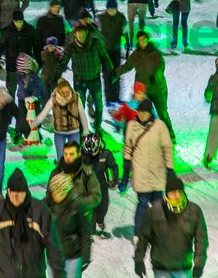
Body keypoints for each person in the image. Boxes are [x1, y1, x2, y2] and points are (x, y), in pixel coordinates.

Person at [0, 168, 64, 277]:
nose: (15, 198)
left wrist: (58, 273)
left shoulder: (39, 212)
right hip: (5, 273)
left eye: (19, 194)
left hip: (33, 273)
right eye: (12, 193)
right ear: (8, 191)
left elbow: (53, 245)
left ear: (25, 192)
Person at [134, 172, 208, 278]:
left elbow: (201, 239)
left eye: (179, 192)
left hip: (183, 268)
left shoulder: (194, 211)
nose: (177, 196)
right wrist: (139, 260)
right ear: (167, 194)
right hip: (161, 268)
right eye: (173, 192)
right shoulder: (155, 211)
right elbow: (144, 237)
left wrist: (199, 264)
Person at [124, 98, 174, 235]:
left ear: (150, 112)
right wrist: (126, 162)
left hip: (157, 172)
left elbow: (167, 148)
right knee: (142, 204)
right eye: (139, 111)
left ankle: (160, 231)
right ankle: (139, 233)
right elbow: (128, 146)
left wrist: (170, 168)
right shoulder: (132, 126)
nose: (141, 114)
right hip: (140, 173)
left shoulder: (160, 126)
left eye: (144, 112)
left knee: (158, 205)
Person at [114, 31, 175, 141]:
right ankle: (144, 137)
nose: (143, 41)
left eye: (144, 39)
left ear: (147, 39)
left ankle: (170, 135)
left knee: (162, 113)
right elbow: (127, 66)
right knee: (142, 114)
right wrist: (115, 74)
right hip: (143, 91)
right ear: (138, 41)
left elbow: (161, 67)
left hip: (158, 89)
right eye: (140, 39)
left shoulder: (155, 53)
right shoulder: (136, 54)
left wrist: (156, 76)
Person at [55, 24, 113, 131]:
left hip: (94, 81)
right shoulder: (71, 47)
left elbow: (105, 58)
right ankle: (81, 129)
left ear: (87, 34)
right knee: (79, 107)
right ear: (75, 35)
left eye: (83, 35)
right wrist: (56, 77)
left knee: (99, 106)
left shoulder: (96, 43)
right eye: (78, 36)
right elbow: (63, 62)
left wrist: (111, 74)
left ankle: (97, 127)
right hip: (79, 82)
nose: (81, 38)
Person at [45, 173, 92, 276]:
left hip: (72, 256)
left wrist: (85, 257)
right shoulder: (46, 204)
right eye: (54, 192)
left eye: (59, 192)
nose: (56, 195)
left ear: (66, 191)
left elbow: (85, 232)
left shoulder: (78, 205)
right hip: (52, 255)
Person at [81, 133, 118, 238]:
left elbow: (114, 167)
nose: (92, 154)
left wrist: (114, 180)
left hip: (102, 184)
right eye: (90, 153)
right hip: (88, 185)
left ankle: (100, 220)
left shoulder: (106, 154)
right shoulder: (83, 154)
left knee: (104, 206)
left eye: (94, 152)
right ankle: (90, 233)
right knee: (91, 209)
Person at [0, 10, 36, 99]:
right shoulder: (7, 31)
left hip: (26, 65)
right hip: (12, 64)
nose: (18, 24)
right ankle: (11, 108)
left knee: (25, 89)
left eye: (20, 22)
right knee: (11, 88)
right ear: (13, 21)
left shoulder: (30, 29)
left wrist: (36, 61)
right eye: (16, 21)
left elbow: (36, 45)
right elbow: (1, 45)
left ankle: (23, 108)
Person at [98, 0, 127, 104]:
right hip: (105, 51)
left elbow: (124, 30)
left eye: (113, 9)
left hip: (116, 50)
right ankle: (108, 98)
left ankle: (116, 97)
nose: (111, 11)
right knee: (107, 75)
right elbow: (97, 32)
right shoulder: (101, 18)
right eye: (109, 9)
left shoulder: (121, 17)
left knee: (116, 73)